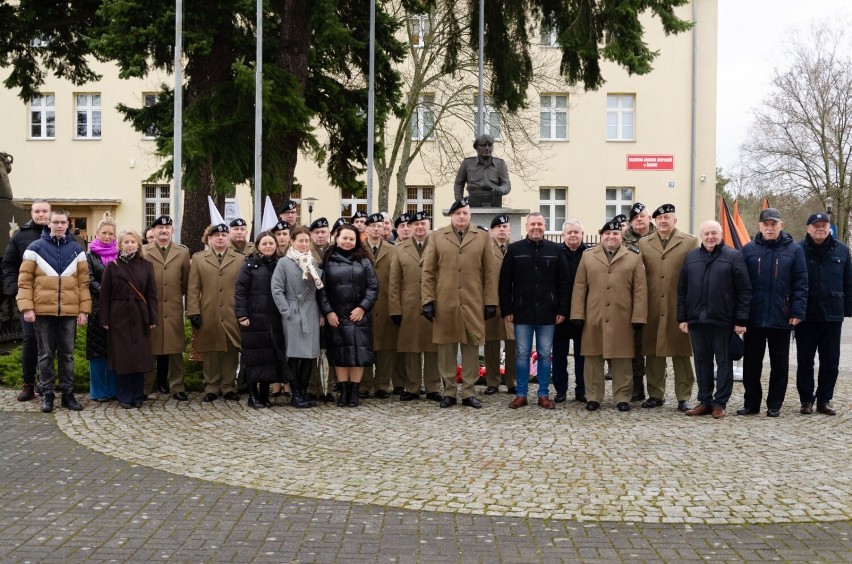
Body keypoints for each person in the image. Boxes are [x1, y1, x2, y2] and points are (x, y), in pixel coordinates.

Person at [421, 197, 498, 409]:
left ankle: (469, 393)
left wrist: (490, 301)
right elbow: (428, 272)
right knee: (446, 349)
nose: (461, 217)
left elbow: (490, 273)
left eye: (465, 213)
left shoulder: (482, 237)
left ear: (470, 215)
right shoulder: (437, 237)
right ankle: (449, 392)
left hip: (473, 302)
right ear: (451, 216)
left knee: (471, 348)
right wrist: (428, 300)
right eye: (457, 213)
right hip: (445, 302)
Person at [17, 208, 91, 413]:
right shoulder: (34, 248)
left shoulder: (77, 250)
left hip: (68, 312)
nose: (59, 226)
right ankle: (47, 395)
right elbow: (24, 282)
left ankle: (68, 395)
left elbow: (84, 284)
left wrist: (84, 310)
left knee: (67, 355)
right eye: (56, 222)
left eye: (63, 223)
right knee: (45, 355)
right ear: (48, 223)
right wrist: (27, 308)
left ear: (68, 224)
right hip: (43, 312)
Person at [570, 219, 647, 412]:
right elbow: (580, 287)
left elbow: (640, 290)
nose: (611, 237)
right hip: (593, 315)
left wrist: (638, 316)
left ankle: (622, 397)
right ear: (601, 235)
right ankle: (593, 396)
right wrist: (577, 314)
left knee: (622, 358)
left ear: (621, 236)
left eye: (615, 234)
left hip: (622, 315)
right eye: (607, 234)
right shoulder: (588, 256)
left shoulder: (633, 257)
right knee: (593, 357)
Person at [677, 221, 752, 419]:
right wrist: (682, 317)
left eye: (714, 233)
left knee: (724, 362)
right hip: (696, 320)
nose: (710, 237)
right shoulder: (691, 258)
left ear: (720, 235)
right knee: (702, 362)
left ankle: (719, 403)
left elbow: (744, 291)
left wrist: (740, 320)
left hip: (723, 320)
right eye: (707, 233)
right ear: (701, 236)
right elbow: (682, 290)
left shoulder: (734, 256)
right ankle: (704, 401)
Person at [738, 208, 808, 417]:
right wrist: (741, 315)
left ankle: (775, 403)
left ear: (781, 226)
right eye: (765, 225)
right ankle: (751, 403)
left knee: (780, 364)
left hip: (782, 316)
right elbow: (741, 285)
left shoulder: (794, 250)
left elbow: (801, 283)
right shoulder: (748, 250)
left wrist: (797, 311)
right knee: (751, 364)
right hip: (754, 317)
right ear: (759, 227)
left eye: (773, 224)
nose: (769, 228)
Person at [499, 212, 571, 410]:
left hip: (549, 312)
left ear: (545, 226)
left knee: (545, 354)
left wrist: (562, 309)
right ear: (526, 227)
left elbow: (564, 283)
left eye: (540, 224)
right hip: (522, 312)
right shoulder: (514, 249)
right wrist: (507, 309)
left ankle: (543, 394)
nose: (536, 227)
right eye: (533, 224)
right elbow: (505, 283)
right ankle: (521, 394)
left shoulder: (556, 249)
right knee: (522, 354)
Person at [637, 203, 698, 412]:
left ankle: (683, 396)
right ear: (654, 221)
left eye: (667, 218)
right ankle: (655, 394)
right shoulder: (644, 243)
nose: (663, 222)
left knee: (681, 352)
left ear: (675, 221)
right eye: (660, 219)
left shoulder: (689, 242)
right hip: (653, 305)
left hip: (677, 305)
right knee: (653, 352)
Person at [795, 212, 852, 416]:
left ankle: (824, 399)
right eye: (816, 225)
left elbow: (848, 282)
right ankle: (806, 400)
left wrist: (848, 311)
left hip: (832, 315)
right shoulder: (797, 250)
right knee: (805, 361)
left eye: (824, 225)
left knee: (830, 361)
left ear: (830, 228)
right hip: (806, 315)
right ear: (808, 228)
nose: (820, 228)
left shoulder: (843, 250)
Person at [318, 224, 379, 407]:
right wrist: (328, 312)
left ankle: (354, 392)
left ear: (356, 241)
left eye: (351, 239)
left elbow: (373, 287)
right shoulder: (327, 260)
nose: (347, 242)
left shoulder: (365, 261)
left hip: (358, 315)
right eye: (344, 238)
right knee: (340, 354)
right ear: (336, 238)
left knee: (357, 354)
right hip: (336, 316)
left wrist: (363, 308)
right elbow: (321, 290)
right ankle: (343, 391)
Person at [100, 229, 158, 409]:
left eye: (133, 242)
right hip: (119, 315)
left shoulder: (147, 265)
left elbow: (151, 294)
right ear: (120, 245)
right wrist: (105, 319)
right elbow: (104, 295)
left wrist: (153, 317)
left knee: (139, 356)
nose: (130, 245)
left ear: (138, 245)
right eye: (126, 242)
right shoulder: (112, 266)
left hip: (140, 315)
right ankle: (124, 395)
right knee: (123, 356)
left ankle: (138, 394)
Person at [389, 211, 442, 402]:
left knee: (432, 347)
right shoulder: (400, 249)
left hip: (433, 304)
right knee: (411, 347)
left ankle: (433, 387)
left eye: (423, 223)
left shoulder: (437, 246)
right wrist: (395, 308)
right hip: (408, 305)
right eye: (416, 224)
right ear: (409, 227)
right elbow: (394, 282)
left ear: (429, 225)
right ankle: (412, 386)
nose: (420, 227)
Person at [187, 223, 243, 402]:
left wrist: (243, 311)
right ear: (209, 239)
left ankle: (228, 386)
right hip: (208, 311)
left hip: (231, 311)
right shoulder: (198, 259)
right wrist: (193, 311)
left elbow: (243, 288)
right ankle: (212, 386)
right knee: (210, 349)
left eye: (224, 235)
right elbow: (193, 288)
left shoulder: (240, 259)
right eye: (216, 235)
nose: (220, 238)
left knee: (230, 349)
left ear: (228, 238)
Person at [2, 199, 51, 401]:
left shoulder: (60, 235)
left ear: (50, 212)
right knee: (30, 341)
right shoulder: (21, 236)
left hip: (53, 298)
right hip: (28, 299)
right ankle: (28, 384)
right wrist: (16, 291)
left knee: (50, 344)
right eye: (37, 211)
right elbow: (8, 265)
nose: (41, 214)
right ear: (32, 213)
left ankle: (45, 383)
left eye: (44, 211)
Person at [272, 226, 324, 408]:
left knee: (309, 354)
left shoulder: (314, 263)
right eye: (300, 240)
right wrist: (286, 311)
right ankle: (295, 392)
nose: (303, 244)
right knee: (294, 355)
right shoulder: (284, 263)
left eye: (306, 241)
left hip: (311, 310)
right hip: (293, 310)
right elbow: (276, 289)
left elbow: (319, 291)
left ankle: (302, 390)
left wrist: (320, 314)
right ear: (292, 241)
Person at [235, 232, 288, 409]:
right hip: (253, 319)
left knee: (269, 357)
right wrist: (242, 315)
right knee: (253, 358)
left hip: (273, 319)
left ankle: (265, 394)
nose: (268, 247)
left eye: (271, 243)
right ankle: (252, 394)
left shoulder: (280, 264)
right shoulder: (249, 265)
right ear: (258, 246)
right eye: (264, 243)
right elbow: (240, 291)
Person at [143, 215, 191, 401]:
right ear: (153, 231)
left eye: (167, 227)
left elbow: (187, 282)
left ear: (172, 231)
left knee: (175, 348)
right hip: (150, 307)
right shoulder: (144, 251)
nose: (164, 231)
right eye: (160, 228)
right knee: (149, 348)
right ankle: (146, 387)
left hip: (173, 307)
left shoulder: (182, 252)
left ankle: (177, 386)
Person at [552, 219, 590, 403]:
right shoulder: (555, 253)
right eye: (569, 232)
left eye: (576, 232)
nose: (573, 235)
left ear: (582, 234)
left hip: (583, 313)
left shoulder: (590, 253)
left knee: (582, 354)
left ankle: (582, 390)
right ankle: (560, 389)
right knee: (559, 354)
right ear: (563, 235)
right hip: (560, 313)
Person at [360, 212, 397, 399]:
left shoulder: (392, 250)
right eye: (372, 225)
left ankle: (382, 384)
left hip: (386, 303)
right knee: (365, 344)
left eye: (379, 225)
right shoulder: (358, 250)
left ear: (384, 228)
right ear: (366, 229)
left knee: (386, 346)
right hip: (363, 305)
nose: (376, 229)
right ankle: (364, 384)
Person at [621, 202, 655, 401]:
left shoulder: (659, 238)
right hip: (631, 300)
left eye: (642, 216)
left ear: (649, 218)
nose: (639, 220)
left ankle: (656, 389)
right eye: (635, 218)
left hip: (656, 298)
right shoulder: (624, 241)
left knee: (653, 347)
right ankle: (636, 387)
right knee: (634, 346)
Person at [86, 212, 118, 402]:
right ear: (97, 233)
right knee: (97, 352)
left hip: (118, 309)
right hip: (98, 308)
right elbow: (89, 280)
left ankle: (113, 389)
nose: (107, 236)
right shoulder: (89, 255)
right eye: (104, 233)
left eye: (111, 234)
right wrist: (108, 294)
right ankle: (98, 391)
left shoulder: (119, 253)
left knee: (115, 351)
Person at [483, 214, 517, 396]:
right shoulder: (486, 249)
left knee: (513, 344)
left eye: (505, 227)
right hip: (492, 303)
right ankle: (492, 381)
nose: (502, 230)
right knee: (491, 344)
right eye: (498, 227)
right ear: (492, 230)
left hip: (512, 305)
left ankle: (511, 381)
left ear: (510, 230)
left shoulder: (516, 248)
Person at [453, 133, 511, 207]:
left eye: (489, 145)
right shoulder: (467, 163)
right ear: (476, 147)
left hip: (494, 201)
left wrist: (500, 190)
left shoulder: (500, 164)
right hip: (473, 201)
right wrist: (460, 203)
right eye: (483, 145)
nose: (487, 148)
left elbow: (506, 184)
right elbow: (459, 184)